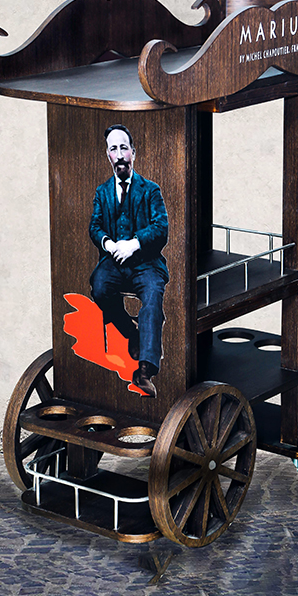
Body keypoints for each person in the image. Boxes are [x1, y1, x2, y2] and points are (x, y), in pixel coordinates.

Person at [89, 125, 169, 397]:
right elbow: (95, 227)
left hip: (146, 262)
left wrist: (134, 243)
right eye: (114, 149)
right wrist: (110, 244)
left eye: (124, 148)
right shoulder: (102, 192)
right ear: (108, 155)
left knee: (152, 298)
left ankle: (145, 371)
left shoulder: (150, 190)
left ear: (133, 153)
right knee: (100, 288)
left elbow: (161, 228)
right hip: (114, 262)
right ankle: (130, 333)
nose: (120, 154)